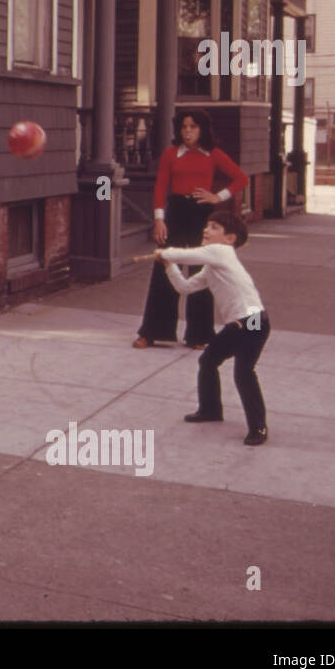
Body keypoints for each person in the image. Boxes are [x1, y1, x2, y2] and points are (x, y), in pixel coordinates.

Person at [134, 109, 249, 350]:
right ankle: (152, 332)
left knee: (202, 272)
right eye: (184, 127)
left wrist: (216, 197)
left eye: (193, 127)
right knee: (165, 265)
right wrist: (159, 219)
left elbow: (241, 178)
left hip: (201, 213)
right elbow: (161, 186)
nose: (187, 131)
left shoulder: (213, 154)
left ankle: (200, 335)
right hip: (175, 211)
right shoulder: (170, 154)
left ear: (202, 130)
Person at [154, 211, 270, 446]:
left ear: (230, 238)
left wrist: (165, 252)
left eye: (214, 227)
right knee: (208, 360)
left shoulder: (222, 252)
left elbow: (186, 256)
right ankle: (210, 409)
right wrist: (169, 265)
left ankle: (259, 427)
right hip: (238, 323)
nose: (206, 230)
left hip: (254, 320)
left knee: (244, 372)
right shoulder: (212, 266)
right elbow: (184, 287)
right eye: (207, 226)